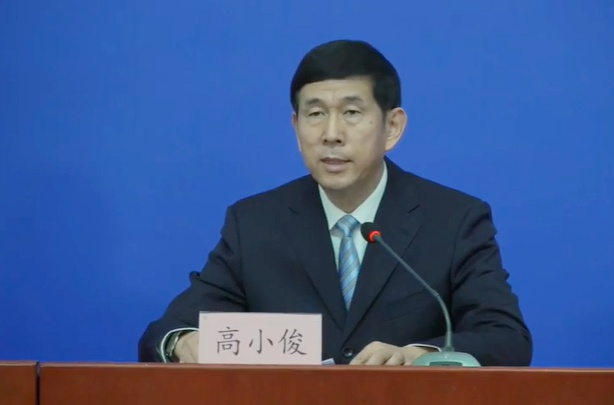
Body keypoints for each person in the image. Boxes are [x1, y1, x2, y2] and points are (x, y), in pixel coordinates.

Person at [138, 39, 532, 366]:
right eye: (315, 114)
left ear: (392, 127)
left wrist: (421, 356)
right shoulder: (255, 224)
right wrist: (184, 342)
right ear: (296, 128)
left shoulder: (454, 220)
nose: (331, 134)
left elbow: (506, 338)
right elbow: (166, 332)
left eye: (351, 113)